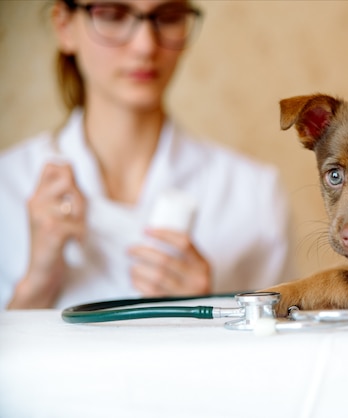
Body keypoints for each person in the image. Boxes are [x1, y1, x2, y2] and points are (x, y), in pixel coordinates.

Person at [0, 0, 293, 309]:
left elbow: (282, 352)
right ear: (64, 26)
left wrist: (212, 311)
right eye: (113, 15)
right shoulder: (8, 185)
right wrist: (35, 287)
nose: (145, 46)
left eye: (167, 17)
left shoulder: (255, 195)